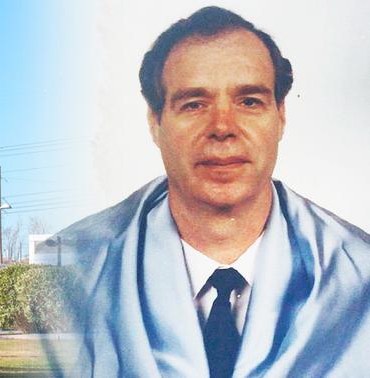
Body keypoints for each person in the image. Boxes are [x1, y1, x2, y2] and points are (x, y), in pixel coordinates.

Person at [59, 6, 370, 376]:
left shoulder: (359, 274)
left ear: (281, 115)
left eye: (249, 101)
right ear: (155, 123)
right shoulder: (73, 270)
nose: (222, 127)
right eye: (195, 104)